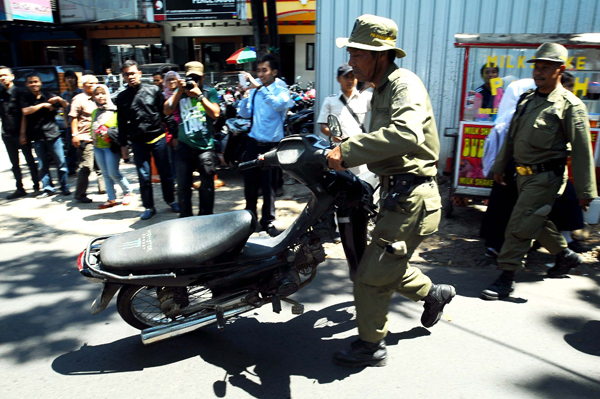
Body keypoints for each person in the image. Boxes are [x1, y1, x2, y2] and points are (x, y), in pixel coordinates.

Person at [326, 14, 455, 367]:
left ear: (381, 55)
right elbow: (388, 143)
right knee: (381, 264)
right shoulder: (380, 90)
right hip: (397, 194)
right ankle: (435, 294)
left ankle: (371, 347)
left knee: (370, 277)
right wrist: (347, 144)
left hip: (412, 199)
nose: (351, 64)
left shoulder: (403, 84)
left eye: (357, 55)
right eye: (350, 54)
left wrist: (349, 152)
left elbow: (406, 135)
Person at [481, 43, 597, 301]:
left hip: (547, 175)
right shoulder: (528, 100)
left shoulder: (570, 105)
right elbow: (511, 137)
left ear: (560, 70)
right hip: (522, 174)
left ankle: (506, 277)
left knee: (520, 222)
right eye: (537, 67)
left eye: (546, 67)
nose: (539, 72)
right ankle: (565, 256)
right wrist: (500, 167)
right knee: (536, 219)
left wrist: (586, 192)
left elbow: (580, 150)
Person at [116, 60, 179, 220]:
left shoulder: (153, 90)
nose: (130, 77)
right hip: (139, 142)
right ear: (123, 76)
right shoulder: (122, 98)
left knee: (166, 174)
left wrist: (175, 135)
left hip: (158, 138)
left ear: (139, 74)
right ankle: (149, 207)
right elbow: (121, 123)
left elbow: (166, 114)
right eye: (127, 74)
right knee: (144, 176)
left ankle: (170, 201)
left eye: (133, 73)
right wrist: (123, 145)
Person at [237, 53, 291, 236]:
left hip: (272, 145)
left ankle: (267, 222)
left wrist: (259, 88)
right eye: (258, 70)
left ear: (274, 72)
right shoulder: (254, 91)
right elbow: (244, 114)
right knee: (250, 185)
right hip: (253, 142)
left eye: (264, 70)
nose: (260, 74)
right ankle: (250, 221)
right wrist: (244, 96)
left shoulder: (281, 90)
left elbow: (278, 105)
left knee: (269, 186)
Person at [164, 61, 220, 217]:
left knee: (207, 188)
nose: (193, 81)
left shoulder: (209, 92)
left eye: (197, 78)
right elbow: (166, 110)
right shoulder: (180, 93)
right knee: (182, 187)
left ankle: (205, 219)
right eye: (190, 78)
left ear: (203, 78)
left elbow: (215, 113)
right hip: (184, 146)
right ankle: (185, 220)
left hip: (205, 148)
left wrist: (199, 95)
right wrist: (179, 91)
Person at [19, 72, 70, 199]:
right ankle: (48, 188)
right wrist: (42, 105)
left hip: (54, 134)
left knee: (61, 163)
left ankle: (64, 187)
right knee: (42, 165)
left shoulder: (48, 95)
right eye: (30, 82)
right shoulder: (25, 98)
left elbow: (66, 105)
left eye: (36, 81)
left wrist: (59, 99)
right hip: (37, 136)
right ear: (27, 84)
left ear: (40, 83)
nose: (33, 84)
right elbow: (25, 111)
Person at [317, 62, 372, 175]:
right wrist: (332, 135)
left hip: (361, 152)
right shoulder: (330, 101)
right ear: (338, 79)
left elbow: (384, 106)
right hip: (339, 154)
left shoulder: (367, 97)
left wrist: (373, 85)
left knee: (364, 184)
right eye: (346, 77)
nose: (350, 81)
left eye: (353, 77)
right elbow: (323, 126)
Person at [91, 84, 132, 209]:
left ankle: (127, 192)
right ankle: (111, 198)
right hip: (97, 146)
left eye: (102, 93)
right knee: (105, 174)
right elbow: (92, 128)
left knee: (113, 173)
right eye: (97, 94)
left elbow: (123, 130)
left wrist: (108, 133)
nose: (100, 96)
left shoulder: (115, 111)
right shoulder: (94, 112)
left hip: (111, 147)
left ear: (107, 94)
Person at [0, 66, 39, 198]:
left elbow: (24, 115)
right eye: (0, 76)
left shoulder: (19, 92)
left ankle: (36, 186)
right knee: (14, 164)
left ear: (12, 76)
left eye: (5, 75)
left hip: (21, 134)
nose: (3, 77)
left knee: (29, 161)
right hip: (7, 134)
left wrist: (22, 134)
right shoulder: (1, 94)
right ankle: (20, 188)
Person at [70, 74, 106, 203]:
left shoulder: (100, 97)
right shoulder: (79, 99)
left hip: (100, 137)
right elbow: (73, 117)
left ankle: (103, 188)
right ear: (83, 85)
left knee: (101, 165)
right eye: (91, 83)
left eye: (96, 83)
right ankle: (80, 194)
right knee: (87, 166)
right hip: (86, 138)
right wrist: (75, 135)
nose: (94, 85)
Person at [60, 70, 83, 175]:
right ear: (64, 80)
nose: (70, 80)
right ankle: (71, 168)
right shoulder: (63, 95)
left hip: (82, 124)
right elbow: (64, 111)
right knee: (70, 147)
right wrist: (65, 123)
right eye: (68, 78)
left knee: (84, 147)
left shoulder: (81, 93)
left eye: (72, 77)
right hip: (70, 125)